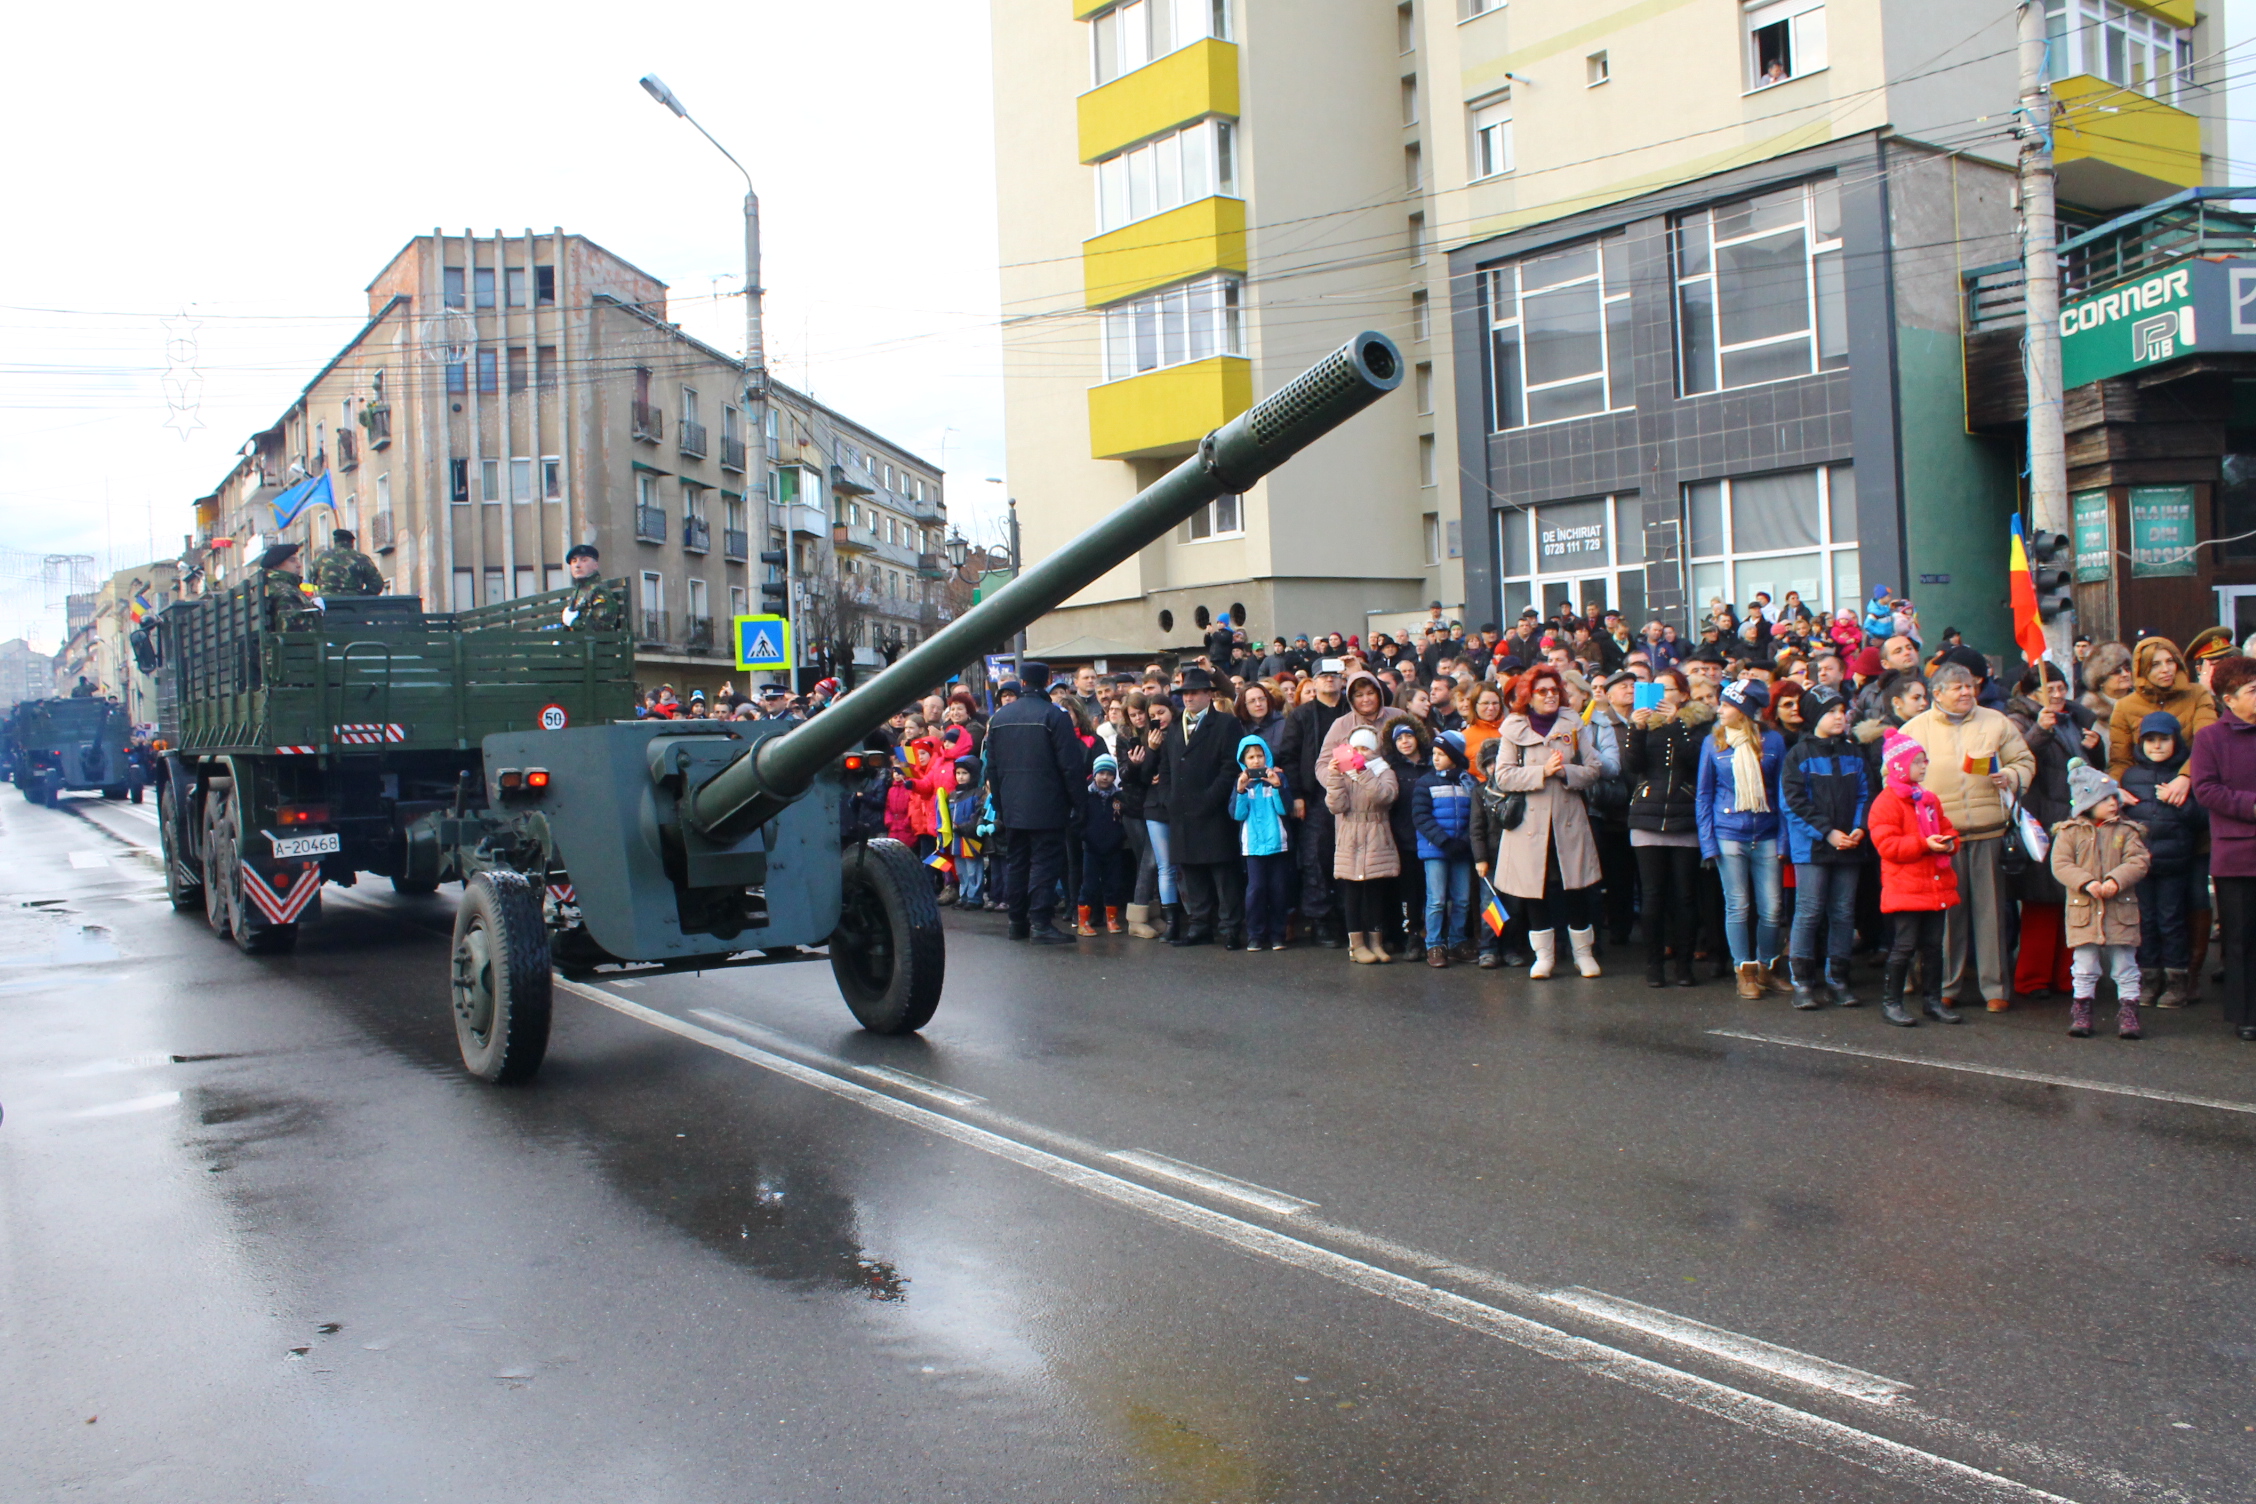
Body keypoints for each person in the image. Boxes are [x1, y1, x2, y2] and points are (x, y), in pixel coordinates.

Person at [1900, 662, 2034, 1011]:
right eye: (1957, 687)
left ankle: (1996, 990)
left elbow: (2024, 760)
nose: (1966, 693)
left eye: (1969, 686)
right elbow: (1894, 775)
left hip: (1990, 830)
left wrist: (2010, 775)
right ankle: (1946, 985)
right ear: (1937, 693)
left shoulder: (1996, 722)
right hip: (1942, 838)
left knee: (1992, 914)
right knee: (1948, 915)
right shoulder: (1915, 729)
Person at [1488, 665, 1605, 979]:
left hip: (1568, 818)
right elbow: (1504, 776)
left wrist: (1565, 771)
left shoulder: (1574, 723)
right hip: (1529, 823)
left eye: (1555, 689)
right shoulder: (1513, 728)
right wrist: (1542, 772)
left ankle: (1584, 954)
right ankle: (1545, 956)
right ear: (1529, 696)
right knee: (1534, 890)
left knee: (1575, 887)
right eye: (1543, 691)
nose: (1550, 695)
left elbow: (1594, 768)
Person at [2004, 663, 2098, 999]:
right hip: (2041, 820)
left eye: (2062, 688)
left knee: (2072, 901)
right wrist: (2040, 732)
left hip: (2073, 819)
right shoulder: (2019, 720)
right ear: (2031, 692)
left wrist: (2095, 746)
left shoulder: (2073, 718)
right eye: (2050, 689)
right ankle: (2032, 978)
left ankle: (2067, 976)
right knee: (2041, 904)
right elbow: (2017, 760)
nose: (2058, 695)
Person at [1780, 683, 1869, 1008]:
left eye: (1842, 711)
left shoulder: (1853, 752)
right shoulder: (1799, 754)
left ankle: (1838, 979)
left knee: (1844, 913)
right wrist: (1827, 832)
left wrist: (1860, 827)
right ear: (1816, 715)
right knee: (1809, 911)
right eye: (1831, 711)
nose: (1839, 717)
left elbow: (1864, 794)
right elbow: (1793, 802)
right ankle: (1803, 981)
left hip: (1850, 845)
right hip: (1813, 848)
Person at [1697, 679, 1787, 999]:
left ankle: (1767, 967)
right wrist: (1708, 843)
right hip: (1728, 833)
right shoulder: (1714, 743)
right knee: (1738, 905)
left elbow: (1782, 793)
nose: (1719, 710)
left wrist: (1784, 840)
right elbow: (1704, 795)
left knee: (1773, 908)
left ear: (1744, 710)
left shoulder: (1774, 742)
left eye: (1726, 704)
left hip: (1767, 832)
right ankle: (1744, 971)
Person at [985, 660, 1086, 944]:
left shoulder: (1001, 718)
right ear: (1048, 680)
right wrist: (1079, 804)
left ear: (1022, 682)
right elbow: (1071, 766)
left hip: (1013, 804)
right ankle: (1040, 922)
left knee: (1017, 861)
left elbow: (991, 767)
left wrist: (1001, 805)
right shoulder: (1054, 716)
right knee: (1044, 862)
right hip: (1048, 803)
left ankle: (1017, 922)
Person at [1869, 731, 1964, 1027]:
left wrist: (1949, 841)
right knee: (1905, 945)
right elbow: (1887, 847)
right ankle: (1891, 1002)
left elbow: (1949, 829)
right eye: (1919, 761)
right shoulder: (1886, 803)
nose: (1925, 766)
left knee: (1934, 946)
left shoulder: (1928, 799)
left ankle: (1932, 1001)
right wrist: (1925, 844)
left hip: (1934, 884)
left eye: (1925, 761)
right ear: (1899, 765)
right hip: (1906, 887)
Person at [2051, 763, 2151, 1040]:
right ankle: (2082, 1011)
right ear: (2088, 802)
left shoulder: (2127, 831)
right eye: (2105, 798)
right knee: (2084, 965)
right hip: (2084, 910)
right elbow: (2060, 864)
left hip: (2120, 910)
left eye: (2114, 797)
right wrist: (2086, 882)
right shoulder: (2069, 832)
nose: (2113, 802)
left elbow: (2139, 861)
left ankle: (2129, 1012)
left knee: (2126, 965)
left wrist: (2115, 880)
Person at [1627, 669, 1709, 987]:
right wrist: (1636, 728)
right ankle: (1653, 966)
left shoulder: (1697, 725)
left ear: (1683, 694)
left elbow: (1695, 758)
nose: (1661, 695)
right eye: (1655, 689)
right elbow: (1632, 765)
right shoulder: (1645, 724)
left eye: (1668, 689)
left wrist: (1676, 723)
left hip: (1684, 817)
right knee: (1652, 896)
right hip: (1647, 816)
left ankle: (1684, 967)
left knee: (1685, 897)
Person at [2190, 654, 2256, 1041]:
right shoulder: (2211, 738)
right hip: (2237, 854)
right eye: (2252, 690)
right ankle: (2246, 1013)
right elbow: (2207, 790)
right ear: (2229, 698)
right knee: (2241, 937)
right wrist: (2251, 805)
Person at [2122, 710, 2206, 1008]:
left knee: (2172, 921)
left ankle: (2176, 981)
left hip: (2175, 864)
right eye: (2150, 740)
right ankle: (2148, 978)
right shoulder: (2131, 776)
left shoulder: (2184, 779)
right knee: (2144, 922)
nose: (2156, 746)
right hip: (2141, 865)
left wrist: (2181, 804)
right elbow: (2122, 818)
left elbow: (2201, 819)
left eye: (2164, 740)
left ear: (2176, 742)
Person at [1163, 667, 1249, 948]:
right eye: (1185, 693)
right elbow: (1166, 768)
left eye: (1195, 692)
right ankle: (1199, 926)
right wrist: (1169, 798)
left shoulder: (1226, 724)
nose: (1188, 698)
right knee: (1193, 873)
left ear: (1208, 695)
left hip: (1214, 811)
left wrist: (1209, 799)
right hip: (1182, 813)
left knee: (1224, 875)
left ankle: (1230, 928)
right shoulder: (1175, 727)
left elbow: (1230, 767)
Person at [1278, 659, 1353, 947]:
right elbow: (1289, 757)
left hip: (1354, 795)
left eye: (1335, 675)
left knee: (1350, 856)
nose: (1330, 680)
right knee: (1316, 859)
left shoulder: (1352, 710)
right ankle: (1321, 921)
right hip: (1315, 798)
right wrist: (1296, 795)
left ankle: (1350, 918)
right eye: (1324, 675)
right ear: (1313, 681)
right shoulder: (1300, 715)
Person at [1325, 725, 1401, 964]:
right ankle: (1356, 945)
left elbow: (1384, 797)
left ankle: (1376, 942)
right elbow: (1336, 806)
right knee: (1353, 892)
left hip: (1376, 832)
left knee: (1376, 892)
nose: (1360, 752)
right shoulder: (1344, 773)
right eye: (1356, 748)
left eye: (1365, 748)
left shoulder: (1385, 771)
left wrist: (1363, 770)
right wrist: (1335, 776)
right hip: (1351, 835)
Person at [1412, 732, 1477, 967]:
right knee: (1436, 899)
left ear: (1455, 756)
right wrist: (1445, 841)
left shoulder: (1469, 782)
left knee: (1462, 899)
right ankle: (1434, 945)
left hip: (1461, 849)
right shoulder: (1426, 783)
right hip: (1436, 850)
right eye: (1435, 754)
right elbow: (1421, 817)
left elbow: (1476, 817)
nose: (1436, 758)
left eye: (1442, 754)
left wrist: (1465, 842)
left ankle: (1458, 941)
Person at [1232, 734, 1294, 951]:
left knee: (1278, 889)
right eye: (1251, 757)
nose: (1256, 761)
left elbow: (1285, 810)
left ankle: (1278, 934)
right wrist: (1240, 790)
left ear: (1266, 756)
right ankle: (1255, 935)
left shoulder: (1278, 778)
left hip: (1278, 843)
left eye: (1260, 755)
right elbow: (1237, 815)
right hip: (1253, 846)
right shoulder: (1242, 782)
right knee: (1256, 889)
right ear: (1244, 760)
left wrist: (1277, 787)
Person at [1076, 754, 1132, 936]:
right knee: (1089, 885)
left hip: (1113, 848)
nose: (1105, 777)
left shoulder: (1119, 797)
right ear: (1094, 774)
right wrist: (1085, 836)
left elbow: (1123, 820)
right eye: (1101, 773)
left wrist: (1120, 836)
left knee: (1113, 884)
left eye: (1109, 773)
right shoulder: (1086, 795)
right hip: (1091, 848)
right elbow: (1079, 820)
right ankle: (1083, 921)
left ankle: (1112, 919)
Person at [558, 544, 624, 631]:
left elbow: (602, 627)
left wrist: (573, 622)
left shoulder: (599, 591)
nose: (577, 565)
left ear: (595, 565)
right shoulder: (577, 592)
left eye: (584, 560)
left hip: (597, 644)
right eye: (574, 561)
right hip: (578, 642)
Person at [257, 542, 318, 630]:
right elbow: (293, 629)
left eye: (298, 560)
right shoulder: (286, 591)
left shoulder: (274, 585)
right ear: (277, 565)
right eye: (292, 560)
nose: (299, 565)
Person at [309, 528, 385, 598]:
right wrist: (362, 595)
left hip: (327, 602)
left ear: (335, 541)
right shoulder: (361, 559)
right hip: (354, 604)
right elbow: (377, 585)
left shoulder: (321, 558)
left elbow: (311, 579)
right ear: (351, 542)